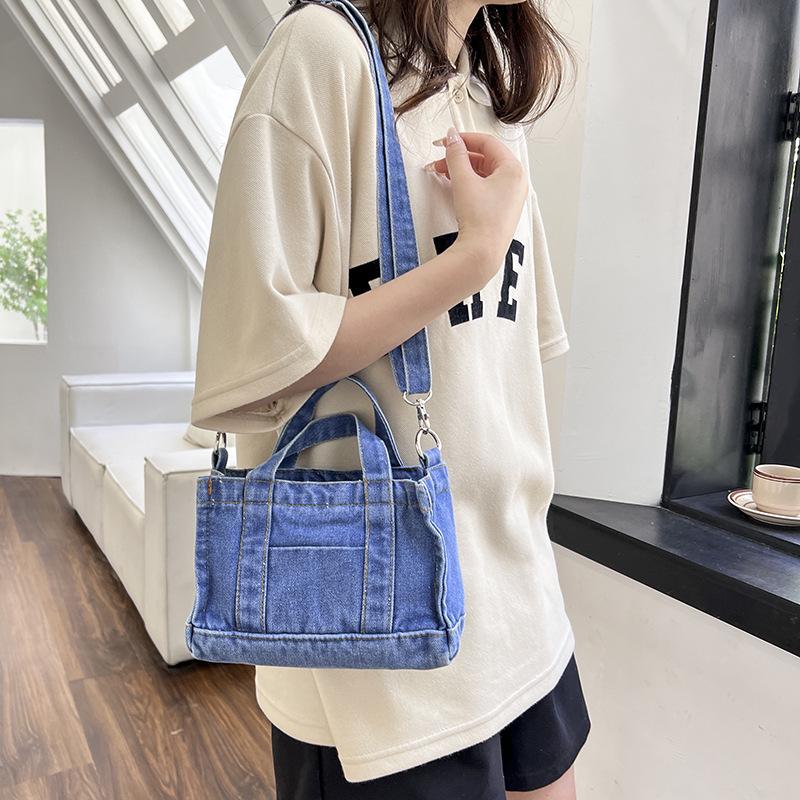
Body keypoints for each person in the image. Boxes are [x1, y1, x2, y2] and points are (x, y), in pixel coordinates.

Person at [189, 0, 590, 797]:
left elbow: (505, 368)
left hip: (521, 598)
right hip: (373, 631)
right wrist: (471, 257)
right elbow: (257, 357)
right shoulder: (320, 55)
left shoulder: (486, 93)